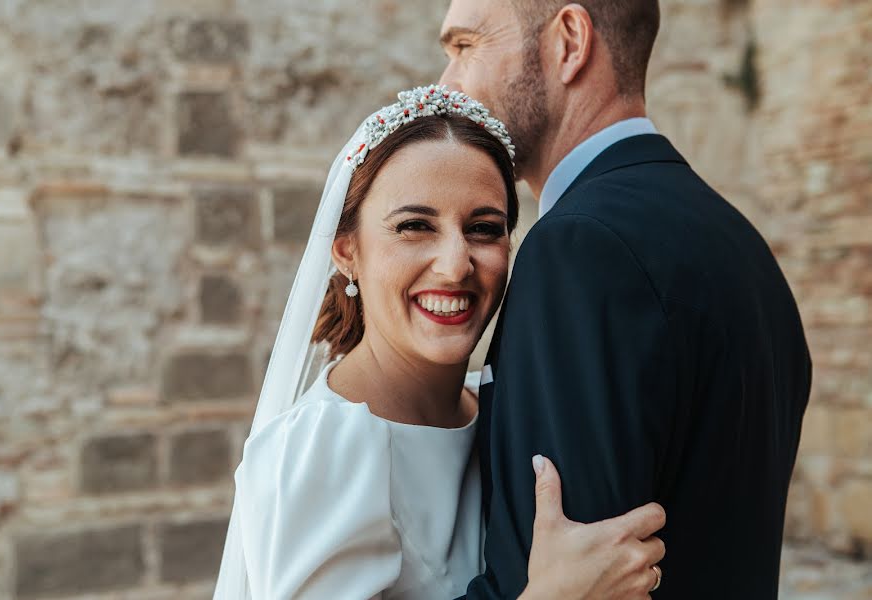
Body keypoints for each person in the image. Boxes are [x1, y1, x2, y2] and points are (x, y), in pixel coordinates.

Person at [212, 86, 667, 599]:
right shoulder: (321, 450)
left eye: (483, 228)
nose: (455, 265)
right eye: (414, 226)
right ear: (346, 252)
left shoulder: (502, 409)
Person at [438, 1, 812, 598]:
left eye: (466, 46)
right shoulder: (744, 245)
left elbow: (540, 577)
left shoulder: (579, 249)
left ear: (568, 42)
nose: (446, 84)